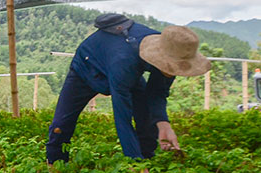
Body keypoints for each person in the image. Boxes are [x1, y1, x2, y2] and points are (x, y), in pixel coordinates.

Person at [46, 16, 210, 164]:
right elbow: (122, 117)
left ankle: (147, 160)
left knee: (146, 118)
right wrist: (134, 161)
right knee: (61, 125)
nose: (174, 70)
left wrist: (164, 124)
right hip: (87, 68)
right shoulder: (125, 62)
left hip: (125, 68)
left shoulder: (174, 48)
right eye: (172, 66)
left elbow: (157, 93)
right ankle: (56, 167)